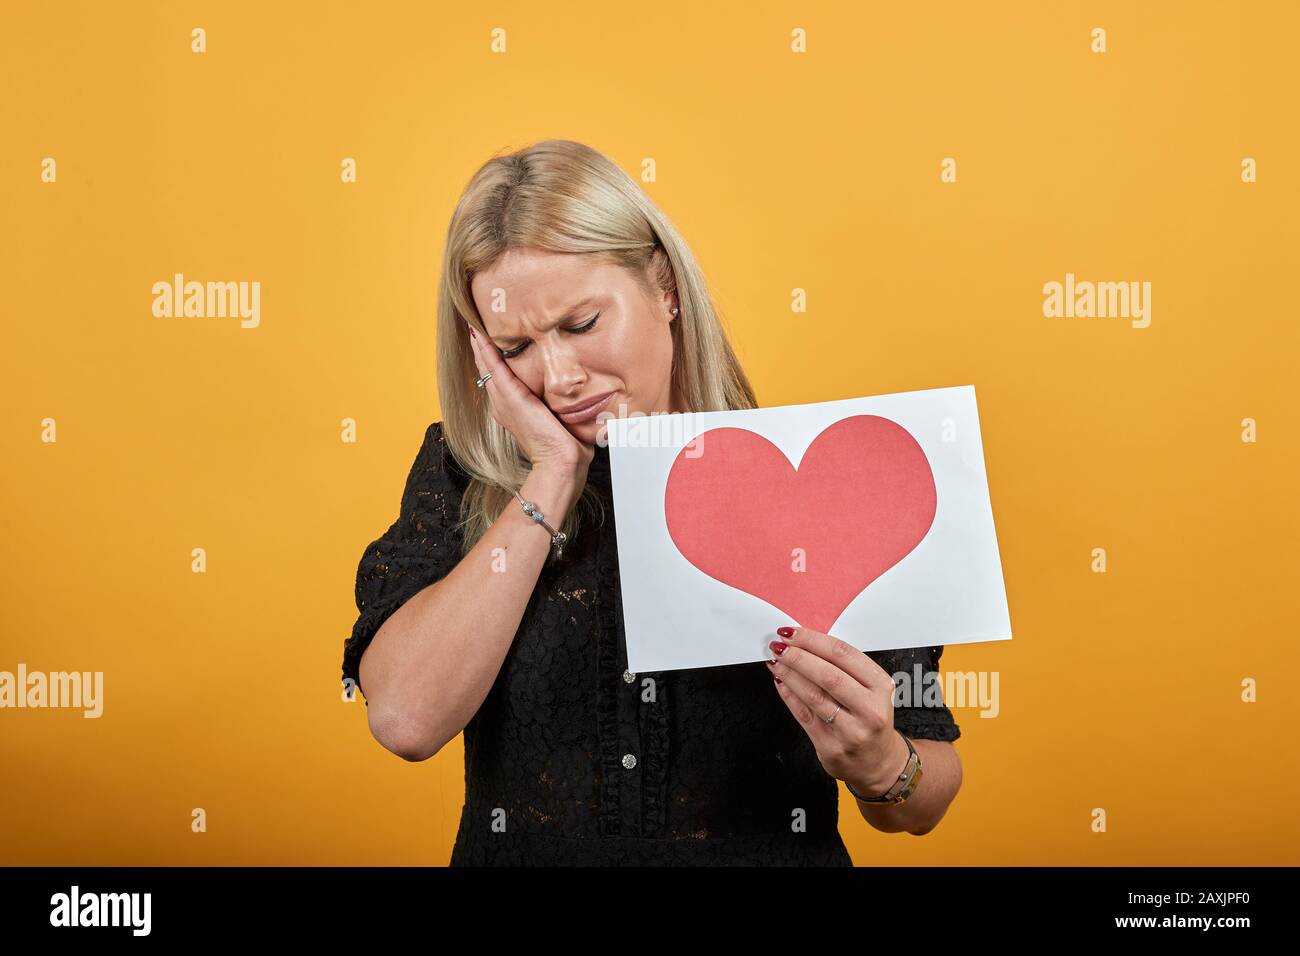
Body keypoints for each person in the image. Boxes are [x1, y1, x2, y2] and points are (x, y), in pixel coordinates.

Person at [341, 139, 963, 865]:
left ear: (663, 286)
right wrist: (551, 474)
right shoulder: (462, 474)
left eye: (581, 324)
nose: (560, 376)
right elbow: (406, 719)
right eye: (516, 349)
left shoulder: (808, 477)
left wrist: (881, 764)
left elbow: (929, 790)